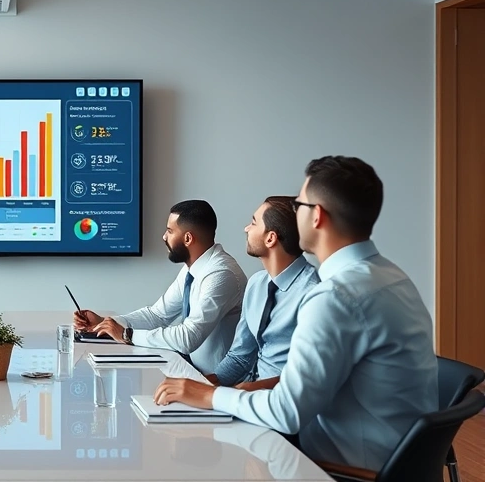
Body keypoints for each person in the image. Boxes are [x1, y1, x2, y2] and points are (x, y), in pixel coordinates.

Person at [153, 156, 438, 472]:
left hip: (339, 465)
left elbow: (286, 411)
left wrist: (209, 397)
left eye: (299, 204)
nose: (293, 211)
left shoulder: (335, 296)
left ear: (317, 216)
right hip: (393, 457)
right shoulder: (391, 276)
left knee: (190, 457)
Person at [76, 200, 246, 374]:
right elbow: (157, 315)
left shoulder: (221, 274)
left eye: (170, 231)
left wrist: (127, 335)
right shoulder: (194, 268)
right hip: (193, 371)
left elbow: (188, 337)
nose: (164, 237)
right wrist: (106, 323)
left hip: (220, 383)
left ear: (188, 238)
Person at [206, 196, 320, 391]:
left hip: (285, 403)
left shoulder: (314, 294)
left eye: (253, 223)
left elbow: (314, 375)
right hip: (250, 397)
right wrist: (203, 384)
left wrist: (244, 392)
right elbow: (240, 357)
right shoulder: (256, 284)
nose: (246, 229)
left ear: (270, 238)